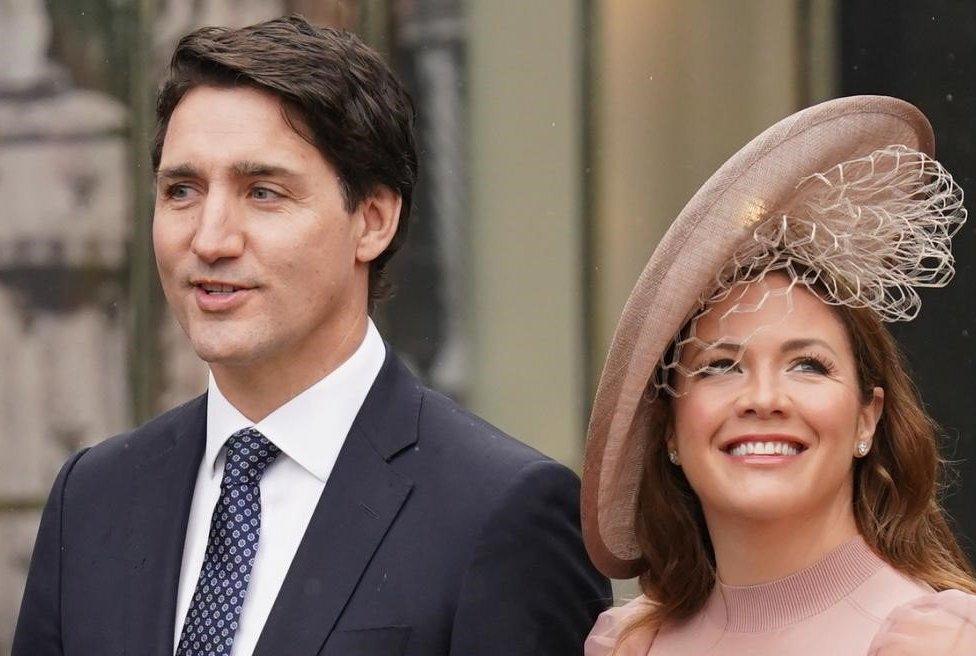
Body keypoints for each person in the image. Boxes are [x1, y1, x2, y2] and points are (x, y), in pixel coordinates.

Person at [13, 15, 609, 656]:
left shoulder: (501, 513)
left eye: (263, 192)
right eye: (182, 190)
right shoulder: (93, 498)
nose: (210, 239)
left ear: (373, 221)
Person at [581, 96, 976, 655]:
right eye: (720, 366)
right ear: (668, 428)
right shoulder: (627, 644)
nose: (763, 398)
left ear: (869, 418)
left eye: (807, 365)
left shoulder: (943, 641)